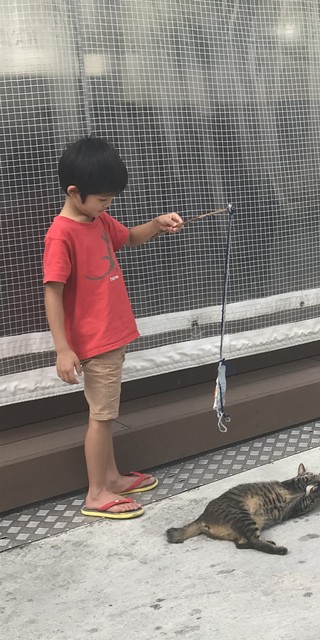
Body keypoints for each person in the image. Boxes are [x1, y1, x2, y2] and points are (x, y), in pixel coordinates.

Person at [43, 137, 183, 518]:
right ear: (74, 192)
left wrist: (156, 224)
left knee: (106, 412)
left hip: (112, 333)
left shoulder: (97, 219)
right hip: (95, 340)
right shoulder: (62, 235)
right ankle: (97, 493)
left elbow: (129, 238)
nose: (108, 206)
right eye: (103, 199)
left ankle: (113, 478)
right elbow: (52, 293)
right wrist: (62, 349)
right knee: (101, 416)